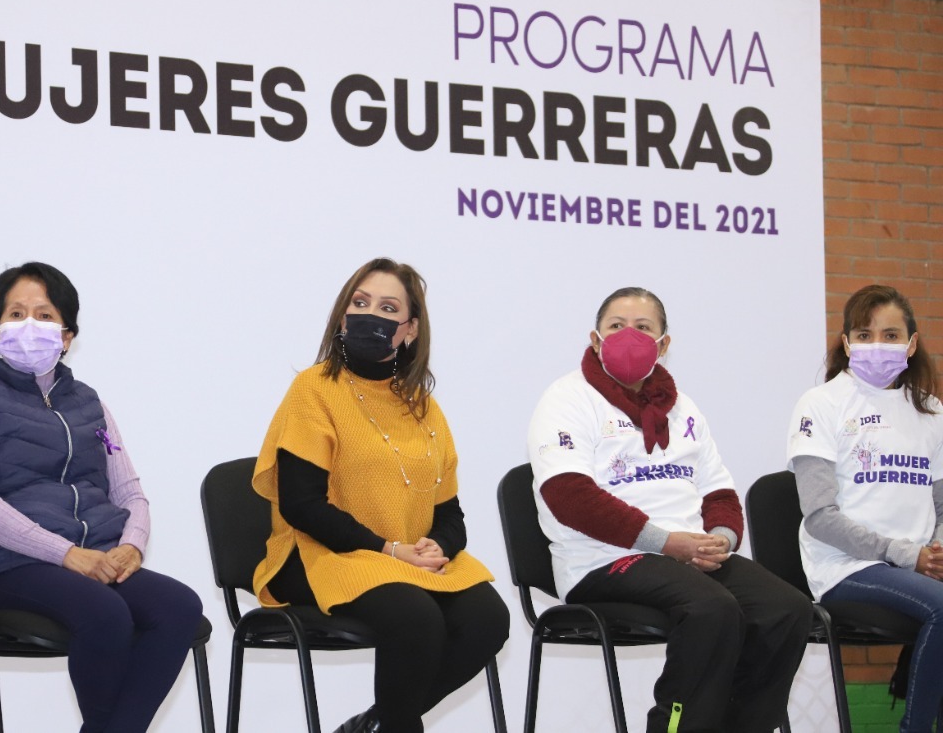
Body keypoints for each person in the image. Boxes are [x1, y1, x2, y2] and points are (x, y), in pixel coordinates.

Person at [527, 286, 810, 733]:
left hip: (687, 555)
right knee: (711, 609)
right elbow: (569, 496)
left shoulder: (683, 409)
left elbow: (719, 493)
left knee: (787, 609)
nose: (629, 335)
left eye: (644, 328)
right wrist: (667, 543)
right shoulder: (567, 399)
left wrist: (722, 539)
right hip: (604, 559)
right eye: (616, 326)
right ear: (596, 339)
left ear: (664, 344)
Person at [0, 261, 202, 733]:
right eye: (15, 313)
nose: (28, 325)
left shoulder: (90, 403)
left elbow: (129, 490)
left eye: (43, 315)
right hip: (6, 564)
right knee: (105, 613)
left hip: (93, 558)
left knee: (178, 605)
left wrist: (131, 546)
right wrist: (66, 554)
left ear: (66, 335)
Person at [251, 257, 509, 733]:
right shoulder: (314, 389)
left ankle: (376, 724)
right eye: (360, 302)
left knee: (487, 619)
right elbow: (301, 505)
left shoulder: (425, 408)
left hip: (404, 560)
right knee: (417, 619)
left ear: (409, 330)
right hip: (318, 554)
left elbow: (450, 512)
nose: (370, 314)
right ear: (342, 314)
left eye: (388, 307)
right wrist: (389, 550)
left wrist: (442, 545)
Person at [788, 284, 943, 733]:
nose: (878, 345)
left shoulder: (931, 413)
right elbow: (819, 517)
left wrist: (934, 551)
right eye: (864, 333)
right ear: (846, 342)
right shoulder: (821, 404)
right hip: (847, 567)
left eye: (891, 335)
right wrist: (906, 554)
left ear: (911, 344)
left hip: (918, 565)